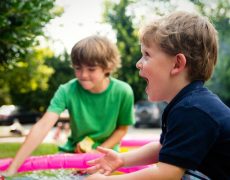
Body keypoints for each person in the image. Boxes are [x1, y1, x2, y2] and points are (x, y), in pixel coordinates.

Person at [84, 11, 230, 180]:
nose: (138, 63)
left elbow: (167, 174)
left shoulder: (193, 110)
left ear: (177, 64)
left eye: (147, 55)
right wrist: (122, 159)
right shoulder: (188, 103)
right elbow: (164, 148)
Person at [0, 35, 135, 177]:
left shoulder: (123, 91)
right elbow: (43, 125)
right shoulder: (67, 90)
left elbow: (122, 129)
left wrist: (96, 152)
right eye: (78, 68)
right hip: (72, 152)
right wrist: (13, 168)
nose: (83, 74)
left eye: (91, 69)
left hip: (106, 154)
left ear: (107, 67)